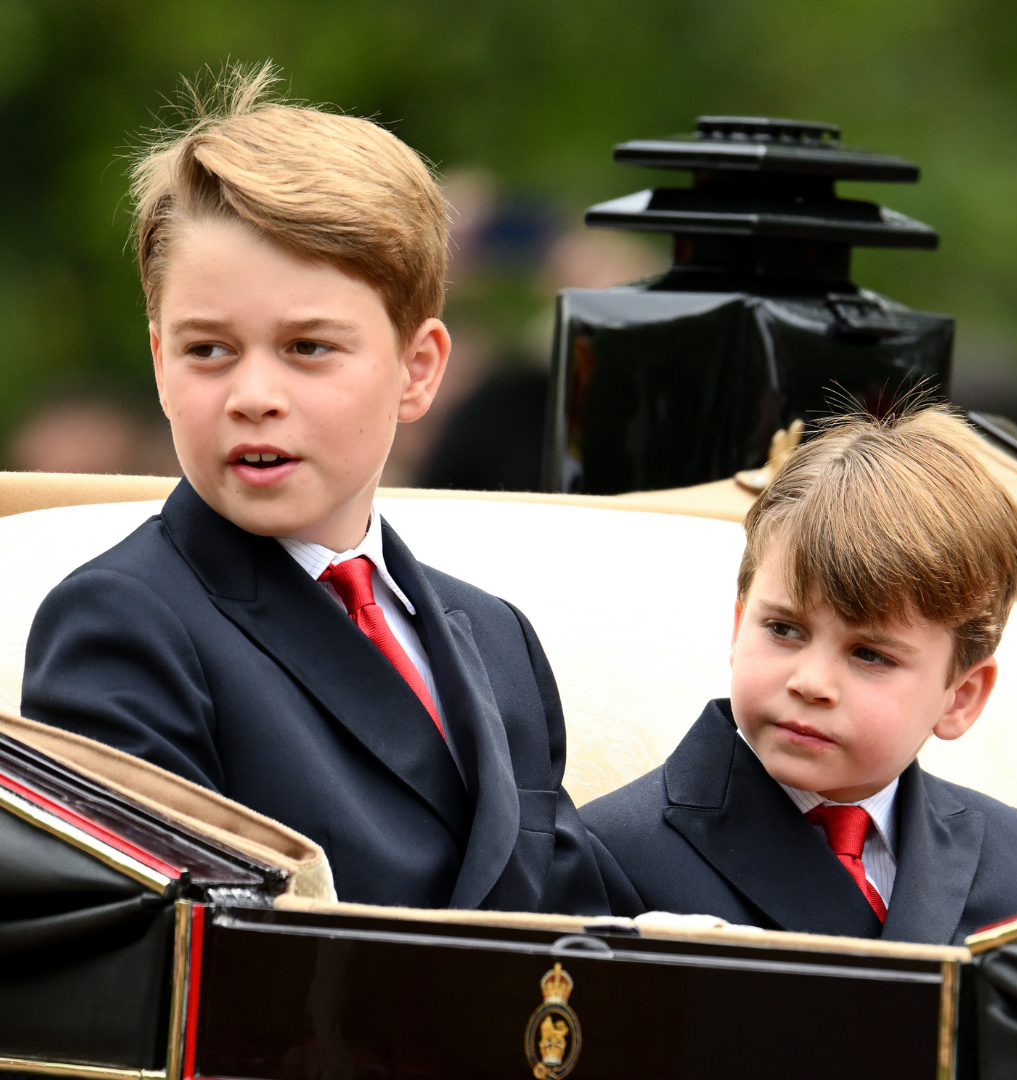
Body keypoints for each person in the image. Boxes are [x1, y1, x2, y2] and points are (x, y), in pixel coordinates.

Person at [20, 65, 608, 916]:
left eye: (307, 348)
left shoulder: (496, 637)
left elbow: (578, 926)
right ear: (159, 364)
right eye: (208, 350)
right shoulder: (124, 623)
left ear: (418, 370)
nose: (254, 394)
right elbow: (165, 950)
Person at [582, 406, 1017, 945]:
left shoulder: (1016, 861)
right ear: (739, 626)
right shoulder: (611, 852)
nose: (811, 682)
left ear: (960, 698)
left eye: (870, 655)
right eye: (784, 629)